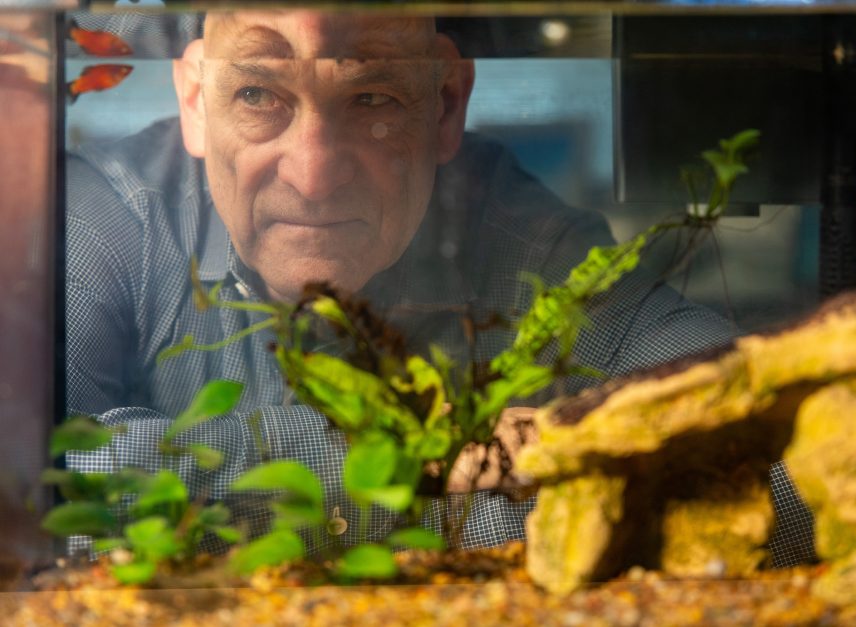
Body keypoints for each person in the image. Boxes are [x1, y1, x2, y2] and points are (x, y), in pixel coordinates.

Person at [67, 11, 811, 558]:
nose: (313, 174)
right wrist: (428, 465)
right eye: (259, 95)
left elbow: (786, 461)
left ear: (446, 104)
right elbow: (43, 473)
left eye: (373, 99)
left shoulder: (525, 244)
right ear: (196, 101)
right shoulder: (106, 218)